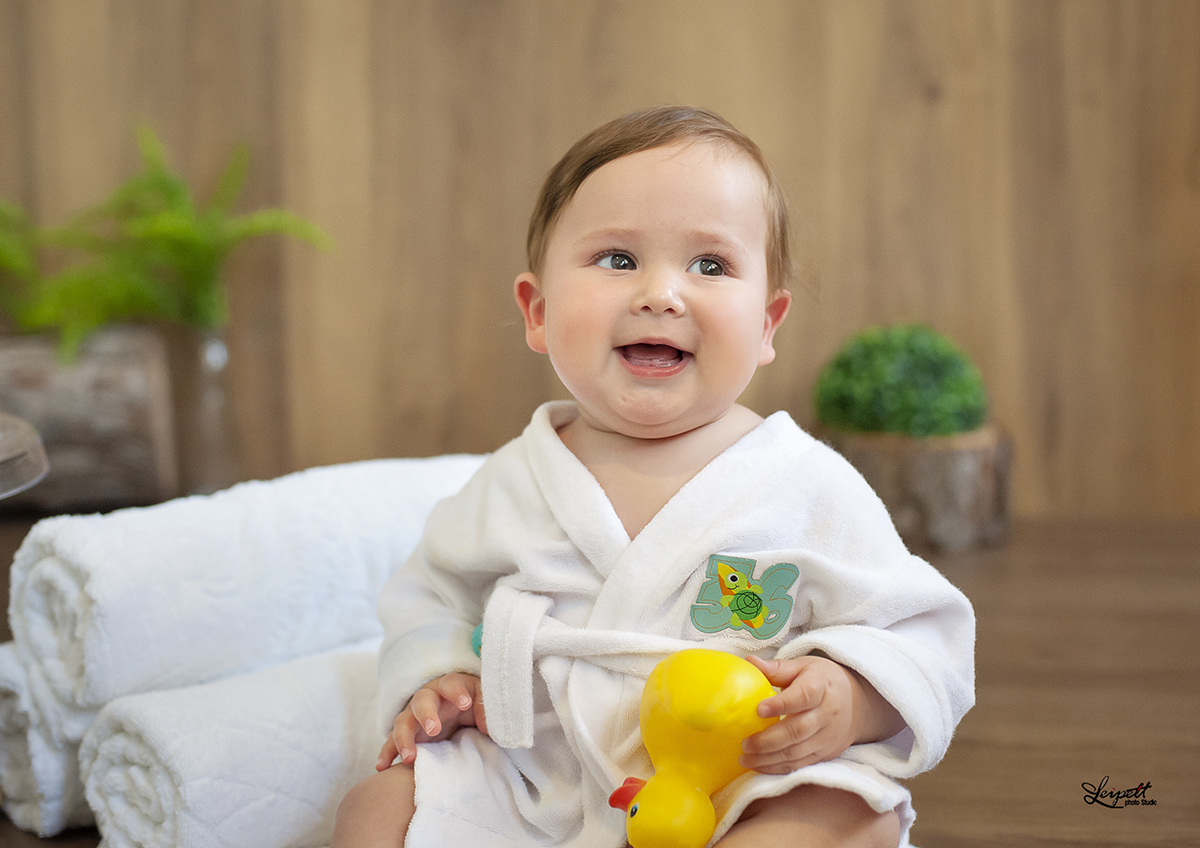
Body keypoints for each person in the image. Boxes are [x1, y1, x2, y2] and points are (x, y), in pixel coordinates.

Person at [333, 106, 974, 848]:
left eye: (711, 266)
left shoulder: (807, 486)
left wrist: (854, 697)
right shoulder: (508, 485)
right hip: (541, 781)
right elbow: (430, 600)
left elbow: (919, 631)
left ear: (768, 325)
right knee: (377, 808)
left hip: (737, 781)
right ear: (538, 312)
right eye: (617, 259)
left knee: (848, 815)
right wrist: (438, 676)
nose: (661, 294)